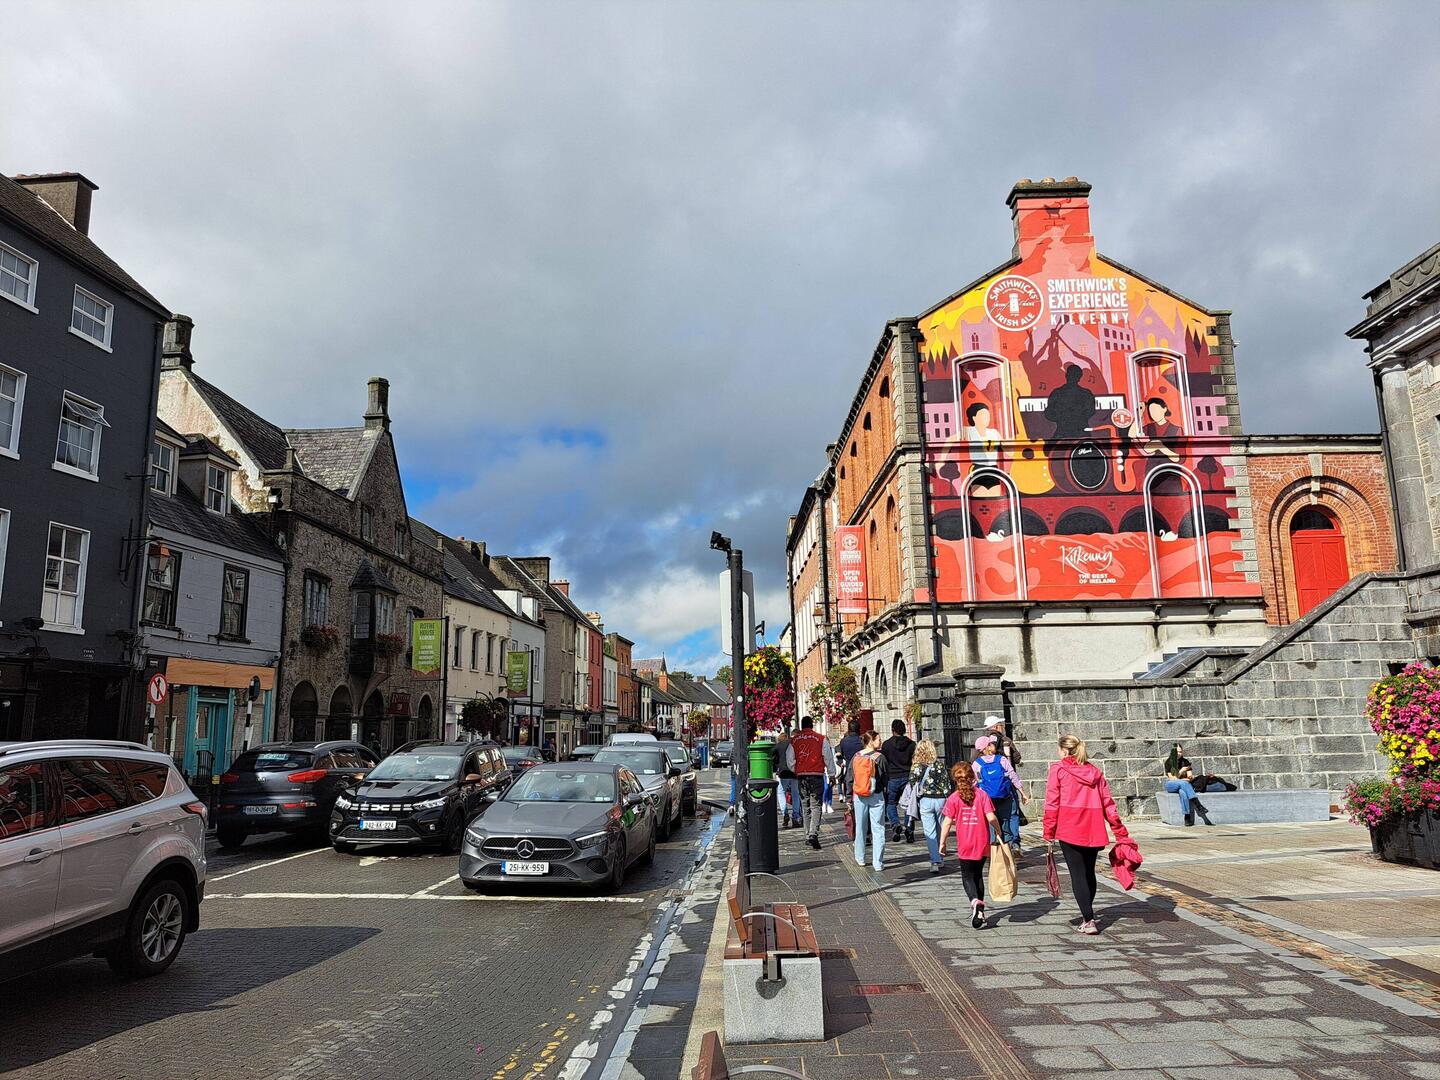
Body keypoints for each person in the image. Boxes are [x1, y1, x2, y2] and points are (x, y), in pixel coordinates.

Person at [1042, 734, 1129, 936]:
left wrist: (1048, 831)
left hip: (1069, 826)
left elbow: (1052, 802)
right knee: (1089, 872)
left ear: (1064, 750)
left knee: (1077, 874)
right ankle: (1088, 914)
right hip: (1093, 827)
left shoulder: (1058, 769)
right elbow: (1108, 803)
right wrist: (1119, 830)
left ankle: (1088, 919)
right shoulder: (1094, 772)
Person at [937, 762, 1001, 929]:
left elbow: (946, 822)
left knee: (967, 876)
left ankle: (975, 902)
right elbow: (991, 817)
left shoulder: (953, 798)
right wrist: (999, 831)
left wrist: (942, 843)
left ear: (955, 779)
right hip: (982, 841)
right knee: (978, 875)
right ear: (972, 777)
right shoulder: (982, 795)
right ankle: (980, 911)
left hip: (965, 842)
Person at [786, 716, 837, 850]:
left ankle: (807, 834)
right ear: (812, 725)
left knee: (805, 805)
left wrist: (796, 769)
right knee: (816, 805)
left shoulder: (794, 740)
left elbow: (789, 759)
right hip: (816, 775)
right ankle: (813, 833)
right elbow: (828, 757)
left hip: (802, 776)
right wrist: (832, 774)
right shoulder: (820, 739)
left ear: (801, 726)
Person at [983, 716, 1025, 855]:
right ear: (996, 726)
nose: (1002, 726)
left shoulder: (984, 743)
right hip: (1006, 784)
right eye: (1001, 724)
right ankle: (1014, 843)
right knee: (1012, 814)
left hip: (988, 788)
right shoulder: (1006, 740)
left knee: (991, 814)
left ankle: (994, 843)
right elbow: (1017, 759)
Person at [1163, 743, 1234, 826]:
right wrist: (1181, 771)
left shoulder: (1185, 762)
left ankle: (1187, 817)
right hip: (1172, 785)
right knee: (1183, 783)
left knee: (1183, 792)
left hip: (1184, 786)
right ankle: (1198, 805)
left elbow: (1190, 778)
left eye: (1180, 752)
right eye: (1177, 752)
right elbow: (1173, 779)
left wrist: (1184, 779)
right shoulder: (1169, 762)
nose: (1179, 754)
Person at [908, 739, 952, 874]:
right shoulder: (939, 765)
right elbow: (947, 784)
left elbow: (912, 782)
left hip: (925, 799)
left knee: (930, 832)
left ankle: (935, 861)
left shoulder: (916, 766)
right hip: (940, 800)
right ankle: (941, 856)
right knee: (941, 829)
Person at [972, 734, 1020, 850]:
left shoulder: (977, 763)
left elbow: (974, 782)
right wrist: (1022, 792)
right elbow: (1013, 775)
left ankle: (994, 852)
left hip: (987, 798)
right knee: (1006, 822)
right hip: (1004, 796)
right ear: (988, 746)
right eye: (991, 743)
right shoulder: (1001, 759)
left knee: (991, 825)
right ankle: (1009, 851)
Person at [850, 729, 888, 873]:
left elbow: (850, 776)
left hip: (859, 795)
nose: (880, 741)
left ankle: (860, 858)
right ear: (871, 741)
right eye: (878, 739)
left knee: (860, 827)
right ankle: (877, 862)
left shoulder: (856, 756)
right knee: (878, 828)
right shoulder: (880, 757)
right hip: (876, 795)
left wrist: (848, 796)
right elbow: (885, 778)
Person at [881, 719, 916, 843]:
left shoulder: (886, 745)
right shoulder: (911, 744)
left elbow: (884, 763)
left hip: (892, 777)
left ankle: (895, 824)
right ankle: (909, 830)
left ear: (892, 730)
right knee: (910, 805)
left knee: (891, 803)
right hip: (907, 776)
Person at [1043, 363, 1097, 442]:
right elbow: (1091, 411)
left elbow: (1049, 414)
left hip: (1062, 432)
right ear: (1079, 377)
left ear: (1066, 375)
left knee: (1049, 448)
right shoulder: (1086, 393)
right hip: (1081, 433)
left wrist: (1062, 417)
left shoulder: (1057, 392)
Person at [775, 727, 801, 829]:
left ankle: (785, 812)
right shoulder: (794, 744)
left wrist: (776, 766)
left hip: (783, 772)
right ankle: (796, 816)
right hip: (794, 772)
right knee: (795, 794)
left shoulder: (778, 746)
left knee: (781, 792)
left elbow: (772, 757)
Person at [837, 721, 864, 796]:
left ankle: (849, 800)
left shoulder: (843, 741)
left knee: (849, 791)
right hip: (861, 768)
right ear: (859, 729)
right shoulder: (862, 741)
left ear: (848, 729)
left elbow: (841, 754)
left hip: (849, 768)